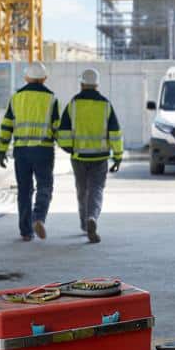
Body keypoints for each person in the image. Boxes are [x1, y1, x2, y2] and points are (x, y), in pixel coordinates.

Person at [57, 67, 123, 244]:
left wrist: (70, 148)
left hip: (79, 157)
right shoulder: (105, 104)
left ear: (81, 84)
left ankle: (84, 224)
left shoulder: (73, 104)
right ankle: (92, 217)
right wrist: (118, 156)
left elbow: (62, 132)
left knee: (82, 190)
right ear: (97, 84)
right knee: (96, 190)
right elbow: (115, 132)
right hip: (100, 157)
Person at [0, 62, 59, 242]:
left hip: (21, 151)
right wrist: (68, 146)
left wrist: (2, 150)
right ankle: (38, 218)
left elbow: (7, 125)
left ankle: (26, 232)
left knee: (24, 190)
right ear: (44, 78)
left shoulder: (16, 98)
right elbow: (57, 128)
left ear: (26, 78)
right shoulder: (51, 98)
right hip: (43, 150)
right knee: (44, 186)